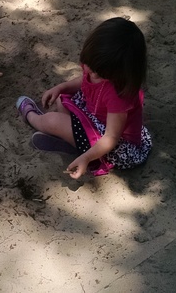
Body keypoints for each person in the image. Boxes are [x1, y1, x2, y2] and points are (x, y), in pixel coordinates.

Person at [15, 17, 152, 179]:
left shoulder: (118, 94)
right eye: (90, 68)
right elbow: (85, 81)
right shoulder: (98, 67)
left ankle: (32, 117)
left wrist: (86, 159)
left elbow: (111, 138)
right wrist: (61, 87)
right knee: (62, 98)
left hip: (117, 147)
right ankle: (72, 143)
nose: (92, 74)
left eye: (99, 75)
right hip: (96, 120)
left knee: (52, 120)